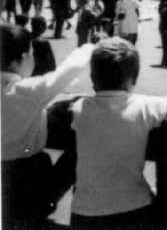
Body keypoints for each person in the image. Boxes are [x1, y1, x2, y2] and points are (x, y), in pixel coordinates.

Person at [70, 39, 167, 229]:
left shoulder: (80, 108)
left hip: (84, 211)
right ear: (133, 77)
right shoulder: (143, 105)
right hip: (133, 208)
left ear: (93, 78)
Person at [2, 24, 95, 229]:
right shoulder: (25, 90)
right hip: (27, 182)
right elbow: (67, 71)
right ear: (25, 57)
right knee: (79, 148)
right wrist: (89, 46)